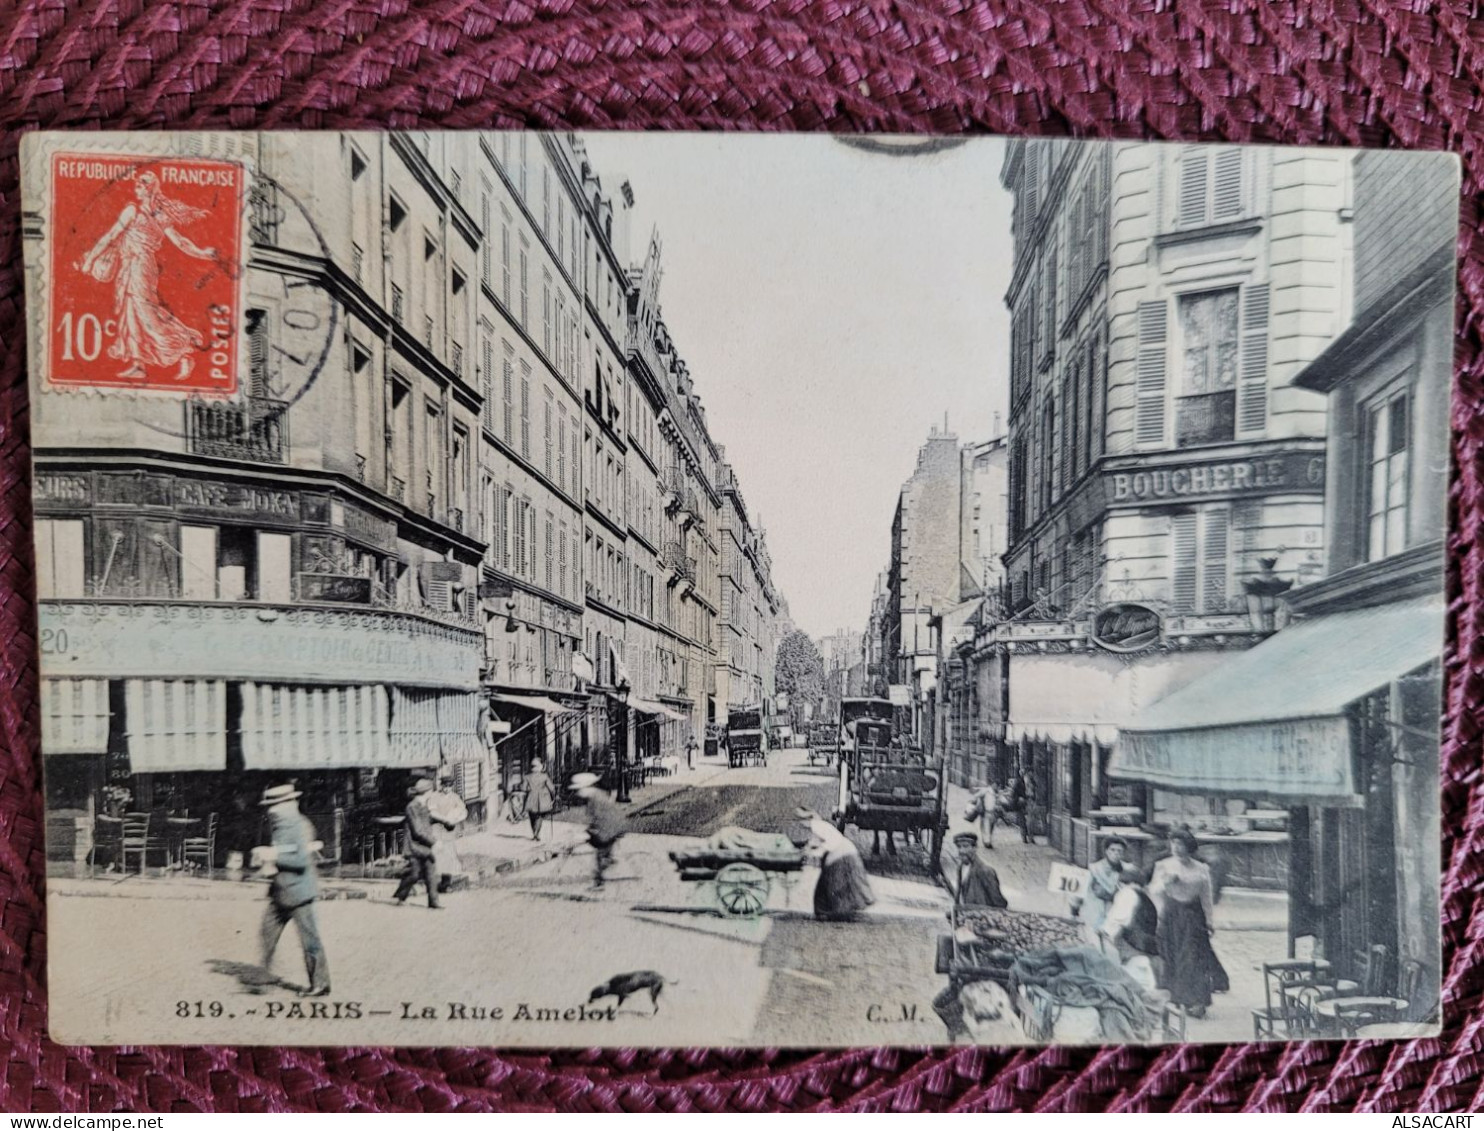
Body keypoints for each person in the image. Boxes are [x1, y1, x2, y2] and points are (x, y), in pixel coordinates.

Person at [78, 171, 218, 380]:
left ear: (149, 188)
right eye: (136, 186)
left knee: (145, 312)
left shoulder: (136, 212)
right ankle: (138, 364)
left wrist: (201, 252)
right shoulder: (156, 215)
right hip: (133, 265)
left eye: (140, 185)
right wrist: (201, 252)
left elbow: (112, 236)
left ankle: (183, 350)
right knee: (131, 311)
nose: (136, 189)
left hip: (139, 265)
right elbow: (112, 236)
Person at [257, 783, 331, 997]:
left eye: (275, 805)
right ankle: (264, 977)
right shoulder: (281, 824)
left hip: (299, 891)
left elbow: (299, 860)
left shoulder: (298, 826)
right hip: (280, 890)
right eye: (270, 805)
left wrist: (271, 856)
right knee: (267, 932)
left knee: (310, 940)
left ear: (288, 804)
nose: (271, 810)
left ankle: (320, 984)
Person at [1150, 828, 1229, 1018]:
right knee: (1172, 957)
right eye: (1173, 844)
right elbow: (1153, 890)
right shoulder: (1163, 865)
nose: (1176, 848)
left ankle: (1197, 1001)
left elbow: (1206, 897)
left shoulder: (1201, 868)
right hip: (1171, 915)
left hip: (1193, 916)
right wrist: (1166, 883)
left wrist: (1210, 921)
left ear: (1189, 847)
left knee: (1194, 958)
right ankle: (1176, 999)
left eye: (1181, 844)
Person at [797, 807, 875, 921]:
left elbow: (831, 842)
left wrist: (815, 852)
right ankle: (827, 912)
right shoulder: (818, 826)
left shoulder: (816, 825)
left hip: (841, 856)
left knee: (835, 885)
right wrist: (809, 849)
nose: (800, 824)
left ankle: (834, 912)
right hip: (843, 853)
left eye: (800, 820)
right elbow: (816, 842)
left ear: (806, 819)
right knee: (831, 885)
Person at [1100, 864, 1161, 993]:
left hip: (1133, 945)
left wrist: (1105, 932)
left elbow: (1118, 918)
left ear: (1122, 883)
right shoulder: (1145, 897)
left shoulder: (1127, 894)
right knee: (1142, 978)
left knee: (1131, 979)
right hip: (1147, 946)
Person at [393, 778, 442, 909]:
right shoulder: (412, 807)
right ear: (427, 792)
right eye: (431, 791)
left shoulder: (423, 805)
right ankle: (401, 895)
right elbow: (418, 830)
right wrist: (434, 842)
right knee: (414, 874)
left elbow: (427, 820)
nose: (432, 794)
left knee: (431, 874)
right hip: (414, 847)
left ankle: (434, 902)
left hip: (424, 846)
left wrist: (444, 820)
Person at [572, 772, 627, 888]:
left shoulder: (595, 799)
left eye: (579, 789)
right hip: (615, 826)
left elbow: (600, 819)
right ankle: (608, 860)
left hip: (610, 828)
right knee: (603, 852)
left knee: (600, 853)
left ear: (587, 787)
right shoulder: (597, 795)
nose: (577, 793)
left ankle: (599, 881)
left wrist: (590, 832)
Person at [1077, 838, 1127, 938]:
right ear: (1106, 851)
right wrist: (1075, 909)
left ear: (1123, 854)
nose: (1116, 853)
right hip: (1093, 911)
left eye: (1119, 851)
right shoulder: (1093, 868)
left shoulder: (1127, 869)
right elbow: (1079, 891)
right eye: (1112, 850)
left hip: (1113, 914)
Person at [427, 776, 468, 894]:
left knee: (449, 856)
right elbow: (432, 811)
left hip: (449, 830)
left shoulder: (455, 798)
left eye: (449, 786)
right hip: (436, 829)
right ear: (441, 786)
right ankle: (432, 881)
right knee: (436, 855)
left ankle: (446, 883)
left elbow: (464, 811)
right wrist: (444, 819)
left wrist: (456, 819)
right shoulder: (434, 797)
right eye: (445, 786)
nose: (447, 789)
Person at [949, 832, 1008, 909]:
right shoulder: (960, 868)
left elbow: (998, 901)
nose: (961, 851)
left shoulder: (985, 870)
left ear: (975, 848)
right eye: (959, 847)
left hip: (982, 916)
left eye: (965, 846)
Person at [522, 757, 558, 841]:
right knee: (539, 816)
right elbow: (552, 788)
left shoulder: (527, 777)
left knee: (532, 816)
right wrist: (554, 797)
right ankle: (536, 834)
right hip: (543, 799)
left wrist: (530, 790)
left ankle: (534, 832)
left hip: (531, 798)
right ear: (541, 767)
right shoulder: (544, 776)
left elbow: (523, 788)